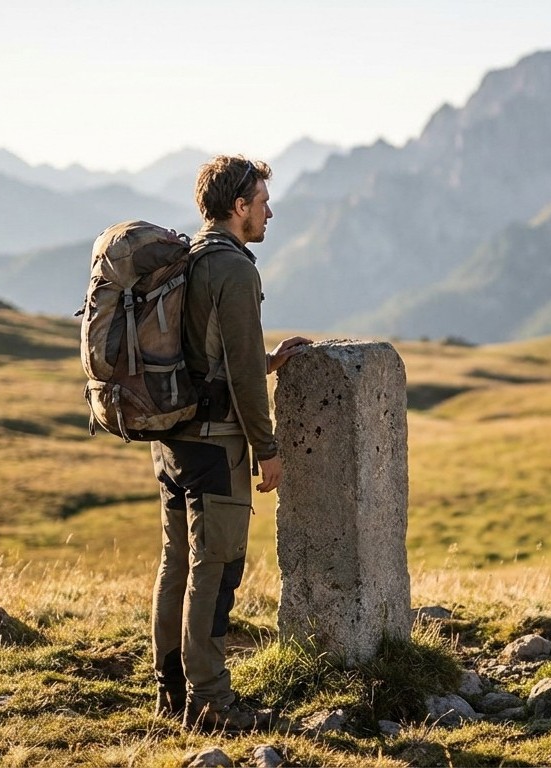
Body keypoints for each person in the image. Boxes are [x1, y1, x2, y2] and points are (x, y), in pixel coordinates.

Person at [149, 155, 310, 731]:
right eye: (263, 202)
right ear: (239, 207)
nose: (269, 212)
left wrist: (269, 361)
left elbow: (203, 353)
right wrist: (267, 450)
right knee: (215, 571)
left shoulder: (186, 259)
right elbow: (239, 372)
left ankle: (170, 690)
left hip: (171, 441)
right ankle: (212, 702)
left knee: (177, 565)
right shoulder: (235, 270)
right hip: (217, 447)